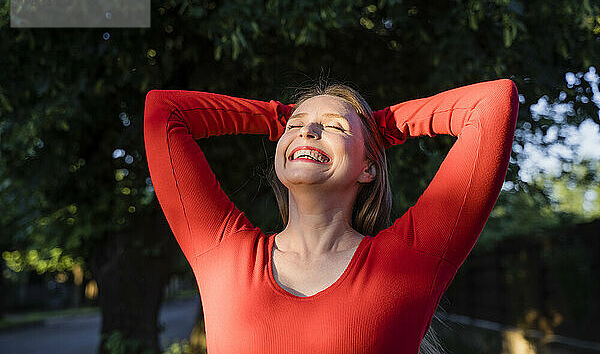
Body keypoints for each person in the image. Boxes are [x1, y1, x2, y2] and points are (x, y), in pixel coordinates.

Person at [143, 77, 519, 353]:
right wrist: (276, 117)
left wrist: (380, 127)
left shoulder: (409, 260)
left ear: (368, 168)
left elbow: (492, 103)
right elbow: (163, 111)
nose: (308, 129)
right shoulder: (224, 252)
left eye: (334, 127)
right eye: (296, 125)